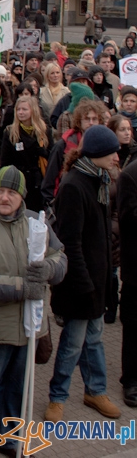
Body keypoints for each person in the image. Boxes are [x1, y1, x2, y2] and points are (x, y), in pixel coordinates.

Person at [0, 166, 67, 457]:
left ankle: (8, 437)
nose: (4, 197)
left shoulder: (37, 224)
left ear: (22, 196)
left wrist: (49, 269)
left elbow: (59, 256)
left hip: (27, 326)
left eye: (11, 193)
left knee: (17, 388)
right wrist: (23, 288)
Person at [46, 125, 122, 422]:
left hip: (97, 279)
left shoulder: (99, 179)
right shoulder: (74, 186)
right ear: (98, 153)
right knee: (73, 343)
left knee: (95, 338)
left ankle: (95, 390)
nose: (117, 157)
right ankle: (57, 396)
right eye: (112, 152)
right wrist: (85, 285)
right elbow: (70, 243)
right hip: (80, 284)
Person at [0, 96, 52, 212]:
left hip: (39, 181)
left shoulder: (44, 131)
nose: (21, 112)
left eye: (24, 109)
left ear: (33, 110)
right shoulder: (10, 132)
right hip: (19, 179)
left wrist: (43, 152)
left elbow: (52, 155)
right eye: (18, 109)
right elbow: (5, 160)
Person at [118, 152, 137, 407]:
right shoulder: (131, 175)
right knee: (134, 327)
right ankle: (131, 380)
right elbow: (127, 218)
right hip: (135, 270)